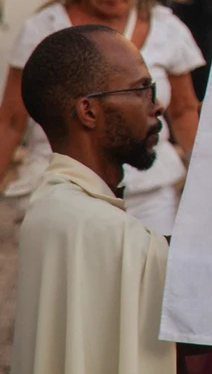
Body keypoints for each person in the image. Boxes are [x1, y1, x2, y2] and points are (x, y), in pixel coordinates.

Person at [0, 0, 202, 235]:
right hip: (59, 190)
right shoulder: (44, 30)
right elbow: (10, 120)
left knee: (149, 279)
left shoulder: (168, 30)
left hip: (149, 193)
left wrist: (206, 176)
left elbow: (183, 110)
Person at [13, 24, 176, 373]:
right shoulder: (94, 226)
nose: (157, 105)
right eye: (142, 90)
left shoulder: (55, 207)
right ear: (88, 111)